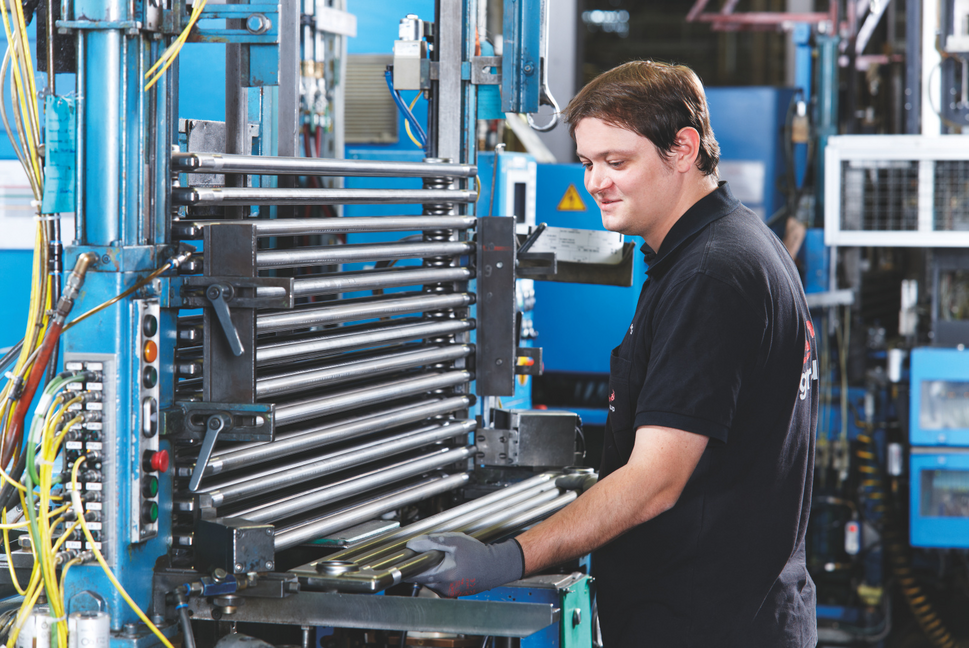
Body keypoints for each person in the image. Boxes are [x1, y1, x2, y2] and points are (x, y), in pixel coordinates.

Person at [407, 60, 819, 648]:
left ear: (683, 149)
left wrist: (507, 558)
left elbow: (655, 481)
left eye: (616, 162)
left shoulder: (711, 274)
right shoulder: (731, 244)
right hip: (736, 610)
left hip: (707, 626)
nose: (595, 182)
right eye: (587, 163)